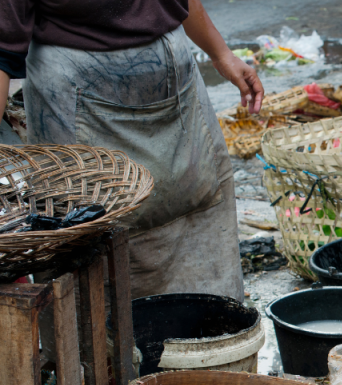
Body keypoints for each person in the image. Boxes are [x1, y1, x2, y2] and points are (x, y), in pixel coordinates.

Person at [0, 0, 263, 300]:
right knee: (91, 253)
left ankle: (215, 337)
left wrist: (221, 53)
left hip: (179, 96)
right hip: (80, 100)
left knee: (203, 240)